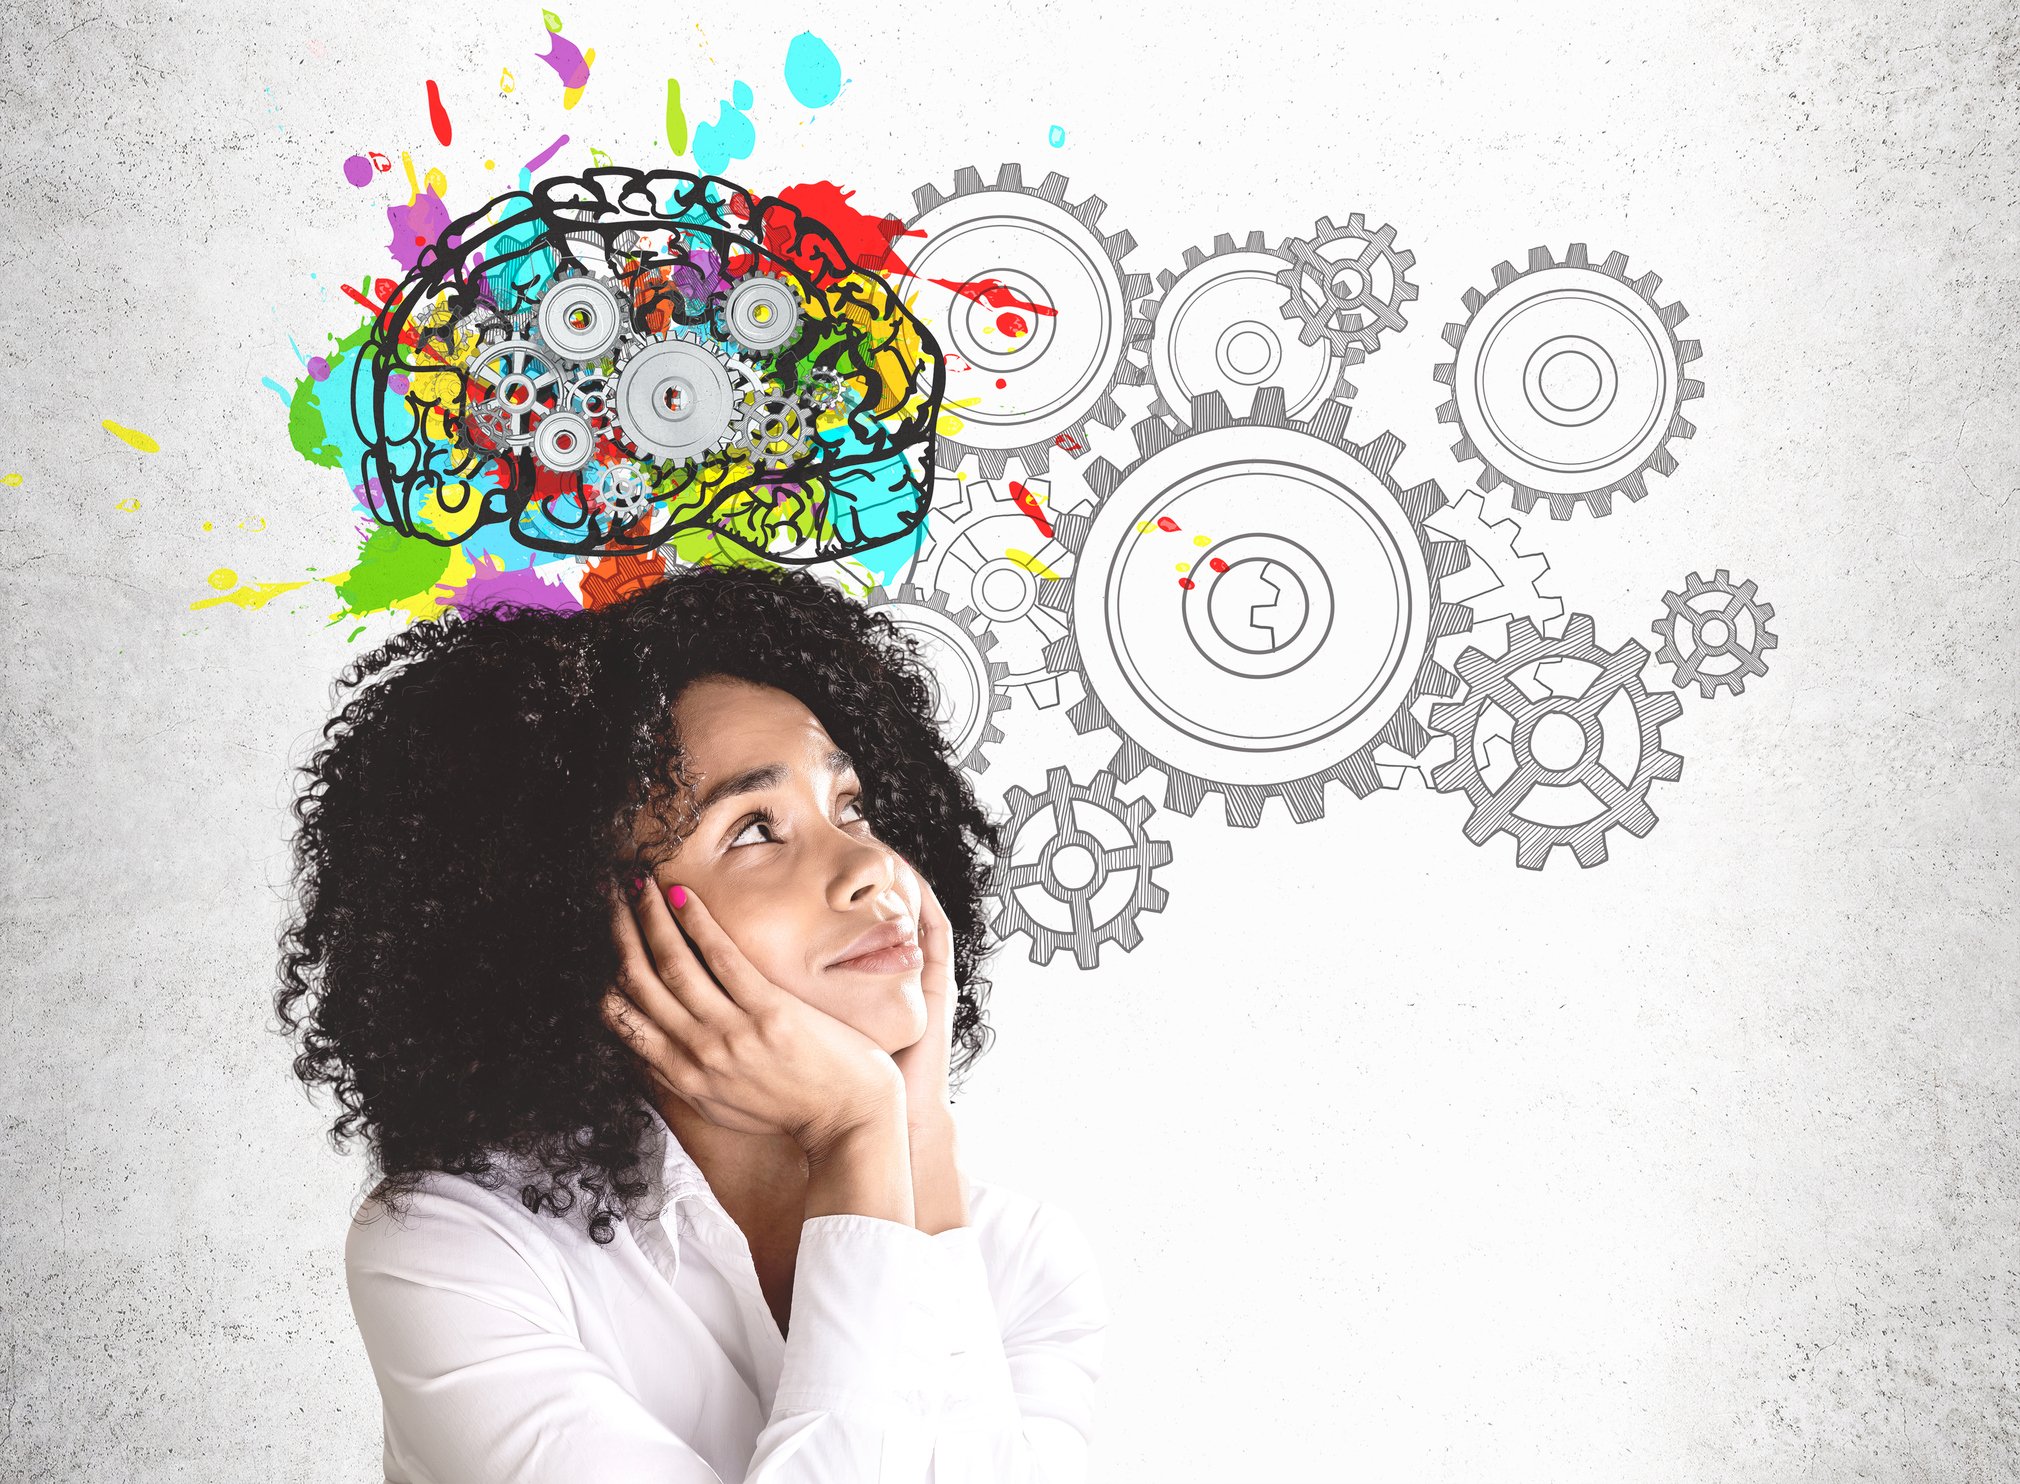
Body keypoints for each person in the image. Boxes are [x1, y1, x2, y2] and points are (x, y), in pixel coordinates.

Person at [273, 562, 1111, 1482]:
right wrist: (857, 1135)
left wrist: (913, 1137)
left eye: (851, 808)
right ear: (584, 924)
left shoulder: (1025, 1265)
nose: (872, 866)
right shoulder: (458, 1253)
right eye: (754, 829)